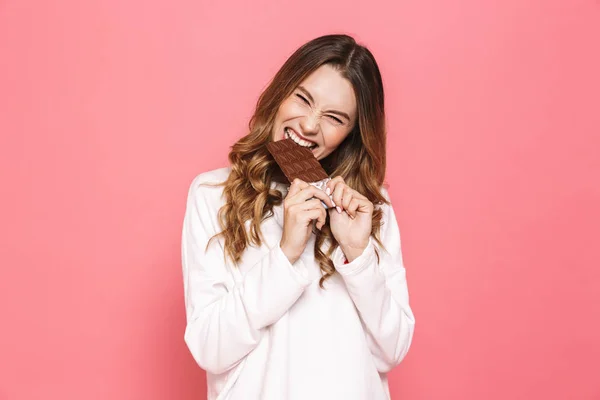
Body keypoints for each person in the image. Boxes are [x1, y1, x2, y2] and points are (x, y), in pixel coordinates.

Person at [181, 34, 415, 400]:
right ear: (280, 92)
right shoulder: (213, 195)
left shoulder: (370, 208)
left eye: (334, 118)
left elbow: (392, 351)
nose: (308, 125)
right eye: (303, 99)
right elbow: (210, 348)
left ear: (352, 133)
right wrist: (286, 254)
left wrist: (358, 256)